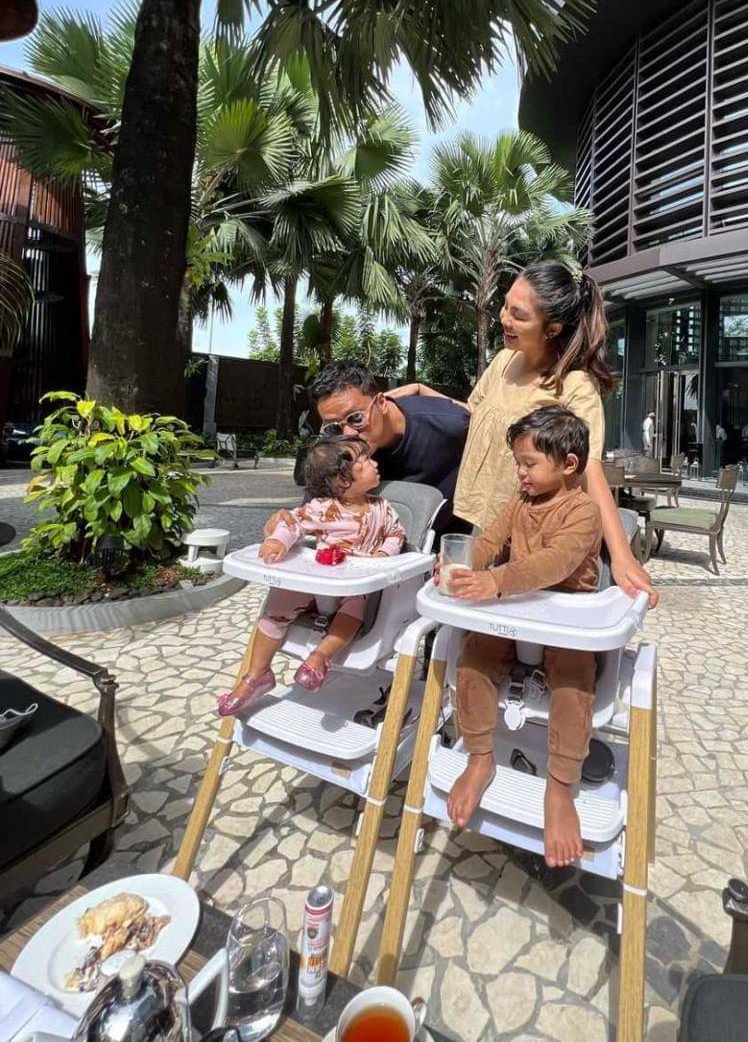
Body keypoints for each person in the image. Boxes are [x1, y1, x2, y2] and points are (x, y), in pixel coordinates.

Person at [393, 260, 658, 607]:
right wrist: (421, 392)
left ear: (552, 328)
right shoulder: (504, 361)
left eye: (518, 315)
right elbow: (474, 416)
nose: (504, 318)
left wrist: (622, 556)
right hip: (478, 524)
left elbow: (590, 470)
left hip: (528, 538)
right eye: (505, 306)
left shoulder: (575, 387)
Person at [443, 406, 602, 867]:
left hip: (567, 616)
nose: (520, 472)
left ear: (568, 464)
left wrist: (496, 581)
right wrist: (462, 565)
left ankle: (561, 785)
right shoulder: (520, 501)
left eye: (529, 463)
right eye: (518, 463)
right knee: (473, 659)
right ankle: (479, 756)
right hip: (519, 610)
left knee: (573, 684)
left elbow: (556, 562)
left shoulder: (583, 511)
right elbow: (490, 542)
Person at [217, 438, 405, 717]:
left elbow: (396, 534)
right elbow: (293, 523)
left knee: (354, 610)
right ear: (343, 479)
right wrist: (278, 541)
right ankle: (256, 676)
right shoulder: (322, 508)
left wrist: (382, 556)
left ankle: (320, 657)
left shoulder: (382, 507)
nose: (374, 463)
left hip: (354, 584)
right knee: (278, 603)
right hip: (320, 579)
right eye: (365, 461)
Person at [285, 360, 470, 535]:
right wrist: (286, 526)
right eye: (333, 426)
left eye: (356, 418)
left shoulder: (451, 426)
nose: (348, 434)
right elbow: (312, 508)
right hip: (367, 545)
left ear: (381, 403)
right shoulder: (336, 441)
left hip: (446, 540)